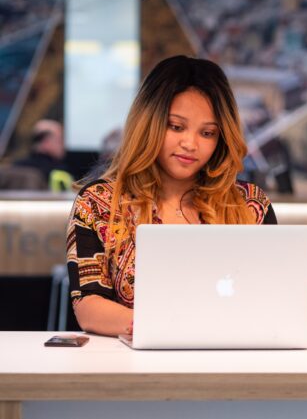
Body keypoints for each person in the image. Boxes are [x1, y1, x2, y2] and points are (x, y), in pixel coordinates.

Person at [66, 56, 277, 336]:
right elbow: (89, 306)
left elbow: (273, 300)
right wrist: (171, 329)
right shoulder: (99, 203)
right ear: (148, 123)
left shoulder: (251, 206)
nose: (190, 144)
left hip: (232, 360)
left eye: (207, 133)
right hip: (133, 364)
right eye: (176, 127)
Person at [13, 119, 73, 191]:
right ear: (46, 142)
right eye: (59, 140)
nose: (63, 145)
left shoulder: (16, 166)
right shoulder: (60, 171)